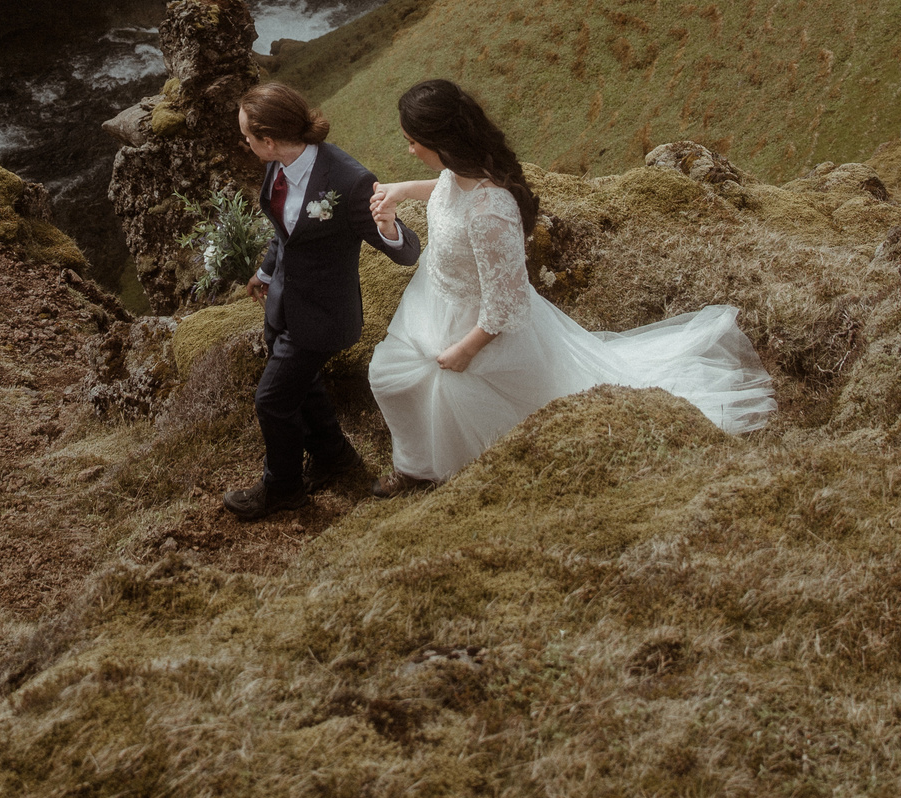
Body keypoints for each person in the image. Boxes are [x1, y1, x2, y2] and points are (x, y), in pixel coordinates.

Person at [365, 79, 775, 495]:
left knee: (470, 403)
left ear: (443, 141)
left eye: (413, 142)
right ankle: (417, 464)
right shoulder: (460, 172)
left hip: (478, 327)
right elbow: (449, 190)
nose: (410, 150)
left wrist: (465, 350)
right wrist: (403, 191)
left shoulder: (493, 212)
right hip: (434, 302)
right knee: (388, 376)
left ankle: (448, 473)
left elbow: (506, 302)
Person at [223, 81, 423, 521]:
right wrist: (266, 270)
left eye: (248, 137)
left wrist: (389, 224)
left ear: (269, 139)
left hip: (325, 316)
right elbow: (286, 230)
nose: (245, 142)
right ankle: (335, 459)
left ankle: (283, 488)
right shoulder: (278, 163)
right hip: (283, 304)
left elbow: (406, 252)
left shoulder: (349, 182)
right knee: (303, 384)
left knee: (272, 401)